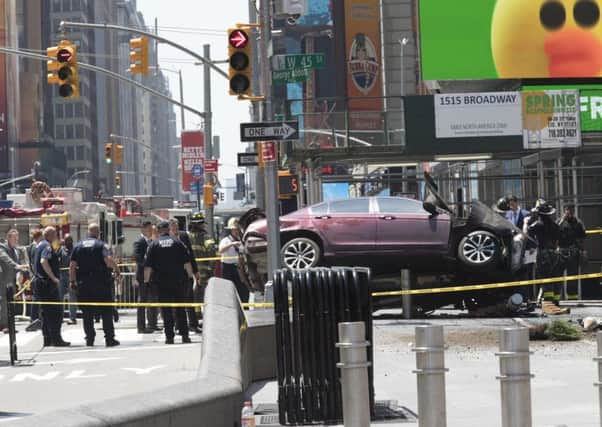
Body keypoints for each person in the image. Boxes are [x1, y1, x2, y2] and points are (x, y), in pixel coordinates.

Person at [144, 221, 195, 344]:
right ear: (168, 230)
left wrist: (146, 281)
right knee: (180, 309)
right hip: (178, 281)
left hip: (161, 282)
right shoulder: (178, 243)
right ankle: (185, 335)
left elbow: (148, 266)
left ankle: (169, 337)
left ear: (159, 230)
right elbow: (187, 262)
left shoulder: (153, 245)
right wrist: (190, 276)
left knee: (166, 309)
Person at [69, 224, 120, 347]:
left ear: (88, 232)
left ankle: (90, 339)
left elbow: (72, 266)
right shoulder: (101, 245)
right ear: (98, 233)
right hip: (101, 283)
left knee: (87, 313)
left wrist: (72, 281)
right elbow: (107, 260)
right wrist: (116, 269)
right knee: (106, 311)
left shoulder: (78, 246)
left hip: (84, 284)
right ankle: (109, 338)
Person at [524, 199, 567, 315]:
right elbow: (559, 240)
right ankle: (556, 302)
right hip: (555, 254)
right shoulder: (555, 225)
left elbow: (526, 233)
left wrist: (527, 220)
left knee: (546, 279)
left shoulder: (537, 224)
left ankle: (548, 304)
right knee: (555, 278)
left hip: (543, 254)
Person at [33, 227, 70, 346]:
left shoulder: (37, 246)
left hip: (40, 282)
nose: (56, 237)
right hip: (48, 283)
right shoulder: (46, 246)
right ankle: (56, 339)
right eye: (55, 234)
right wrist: (53, 277)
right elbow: (44, 261)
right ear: (50, 235)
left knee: (45, 312)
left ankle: (47, 339)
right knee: (56, 312)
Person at [169, 218, 202, 334]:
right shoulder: (166, 238)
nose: (175, 228)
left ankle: (193, 324)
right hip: (172, 273)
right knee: (176, 300)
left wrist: (195, 271)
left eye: (176, 226)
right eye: (173, 226)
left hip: (186, 271)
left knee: (189, 298)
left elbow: (190, 254)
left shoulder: (183, 235)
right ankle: (178, 325)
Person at [188, 212, 216, 326]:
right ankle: (205, 317)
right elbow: (212, 252)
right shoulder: (206, 237)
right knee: (205, 294)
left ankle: (195, 317)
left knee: (194, 294)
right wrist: (210, 269)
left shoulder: (188, 237)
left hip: (190, 272)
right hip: (204, 272)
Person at [0, 230, 29, 333]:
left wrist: (21, 270)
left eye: (17, 238)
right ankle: (3, 325)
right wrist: (17, 266)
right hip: (3, 280)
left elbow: (19, 262)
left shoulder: (15, 250)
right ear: (8, 238)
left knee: (10, 303)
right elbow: (6, 259)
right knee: (4, 302)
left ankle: (9, 324)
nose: (17, 240)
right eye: (15, 238)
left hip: (11, 281)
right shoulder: (2, 248)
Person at [558, 204, 587, 301]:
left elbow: (583, 237)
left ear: (573, 211)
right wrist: (562, 221)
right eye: (567, 210)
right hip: (561, 250)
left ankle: (572, 298)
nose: (568, 212)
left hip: (573, 250)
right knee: (557, 274)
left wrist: (582, 250)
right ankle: (556, 297)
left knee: (572, 275)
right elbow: (554, 232)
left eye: (570, 210)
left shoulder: (578, 222)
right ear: (564, 210)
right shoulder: (560, 221)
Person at [133, 221, 158, 334]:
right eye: (149, 229)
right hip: (143, 276)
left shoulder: (152, 241)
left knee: (153, 299)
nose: (151, 231)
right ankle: (141, 326)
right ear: (143, 229)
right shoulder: (139, 242)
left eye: (151, 229)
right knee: (142, 301)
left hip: (152, 276)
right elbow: (138, 259)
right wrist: (148, 266)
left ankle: (152, 324)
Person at [218, 218, 249, 303]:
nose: (236, 231)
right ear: (231, 230)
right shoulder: (225, 240)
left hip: (239, 267)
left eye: (237, 229)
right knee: (229, 288)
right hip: (227, 267)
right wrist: (231, 244)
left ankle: (245, 306)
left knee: (243, 288)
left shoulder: (241, 240)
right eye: (234, 230)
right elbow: (220, 250)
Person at [25, 229, 43, 331]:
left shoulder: (31, 246)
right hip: (38, 275)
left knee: (36, 297)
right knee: (38, 297)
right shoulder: (37, 246)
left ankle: (34, 318)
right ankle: (35, 318)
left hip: (34, 274)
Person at [59, 235, 77, 324]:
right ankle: (59, 317)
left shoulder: (75, 250)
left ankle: (72, 317)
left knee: (72, 297)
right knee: (60, 297)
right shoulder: (61, 250)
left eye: (70, 240)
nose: (68, 242)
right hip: (62, 276)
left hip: (72, 276)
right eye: (66, 240)